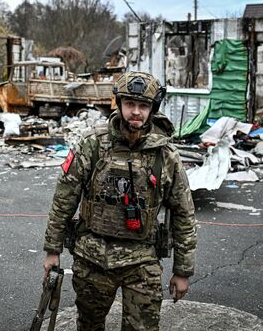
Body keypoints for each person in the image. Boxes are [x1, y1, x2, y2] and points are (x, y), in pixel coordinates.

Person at [42, 71, 197, 330]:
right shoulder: (93, 144)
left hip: (142, 261)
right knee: (89, 325)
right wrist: (51, 251)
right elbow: (63, 199)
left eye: (143, 106)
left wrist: (183, 271)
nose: (136, 112)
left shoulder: (166, 155)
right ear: (119, 104)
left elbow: (183, 213)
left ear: (152, 109)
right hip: (93, 258)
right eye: (130, 104)